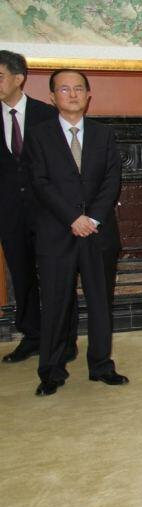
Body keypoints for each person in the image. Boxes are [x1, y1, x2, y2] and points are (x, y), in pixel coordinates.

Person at [27, 69, 127, 396]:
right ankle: (51, 371)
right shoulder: (39, 136)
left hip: (98, 233)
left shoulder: (103, 135)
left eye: (79, 88)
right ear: (52, 97)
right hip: (57, 232)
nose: (72, 94)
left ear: (88, 95)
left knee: (101, 302)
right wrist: (72, 217)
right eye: (64, 89)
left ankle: (101, 366)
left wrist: (93, 218)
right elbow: (39, 182)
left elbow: (112, 180)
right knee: (56, 304)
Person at [0, 50, 57, 363]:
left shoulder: (47, 115)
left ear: (19, 78)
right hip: (9, 212)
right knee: (21, 275)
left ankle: (61, 338)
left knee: (55, 275)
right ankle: (32, 336)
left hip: (47, 211)